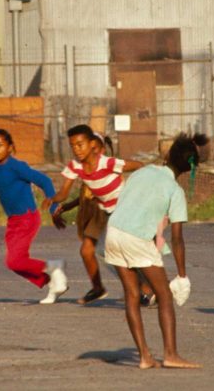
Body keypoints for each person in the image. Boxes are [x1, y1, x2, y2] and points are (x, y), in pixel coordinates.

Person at [103, 132, 208, 370]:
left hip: (113, 232)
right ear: (189, 169)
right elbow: (177, 238)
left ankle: (144, 356)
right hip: (136, 239)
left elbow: (134, 208)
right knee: (164, 295)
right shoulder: (175, 191)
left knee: (131, 295)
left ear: (168, 155)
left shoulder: (142, 172)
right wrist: (182, 275)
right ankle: (170, 354)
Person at [45, 125, 142, 304]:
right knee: (86, 250)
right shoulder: (75, 166)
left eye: (80, 145)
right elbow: (64, 192)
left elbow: (137, 165)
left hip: (123, 209)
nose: (76, 149)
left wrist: (149, 175)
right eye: (72, 146)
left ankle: (144, 288)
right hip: (103, 210)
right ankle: (98, 288)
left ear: (91, 144)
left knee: (122, 250)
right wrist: (53, 199)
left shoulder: (107, 162)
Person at [0, 128, 68, 304]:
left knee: (14, 261)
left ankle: (52, 267)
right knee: (15, 262)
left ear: (10, 147)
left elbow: (44, 181)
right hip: (14, 221)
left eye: (0, 145)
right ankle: (52, 281)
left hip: (28, 218)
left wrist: (54, 207)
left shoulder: (17, 166)